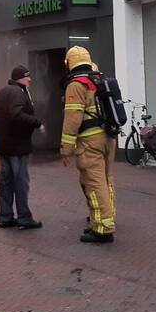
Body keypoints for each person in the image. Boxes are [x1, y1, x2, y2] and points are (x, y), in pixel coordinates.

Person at [60, 46, 116, 244]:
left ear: (70, 62)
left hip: (90, 141)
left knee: (94, 183)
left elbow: (72, 119)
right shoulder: (98, 79)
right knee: (106, 181)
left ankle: (102, 229)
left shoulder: (76, 85)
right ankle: (104, 219)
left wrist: (66, 149)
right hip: (108, 138)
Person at [0, 65, 44, 229]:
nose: (30, 79)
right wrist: (37, 123)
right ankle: (24, 217)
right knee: (21, 181)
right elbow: (17, 114)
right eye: (27, 76)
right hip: (17, 146)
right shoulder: (17, 92)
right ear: (20, 78)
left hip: (5, 145)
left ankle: (5, 217)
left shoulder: (3, 92)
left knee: (6, 182)